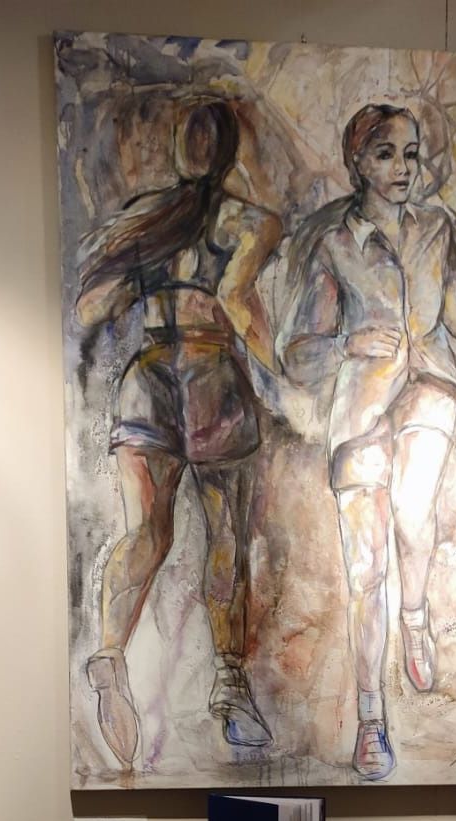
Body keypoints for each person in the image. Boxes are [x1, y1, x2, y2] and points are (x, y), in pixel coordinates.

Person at [281, 102, 456, 780]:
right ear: (357, 163)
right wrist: (347, 344)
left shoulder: (438, 229)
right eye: (385, 154)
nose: (403, 167)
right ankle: (371, 719)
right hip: (360, 412)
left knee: (414, 512)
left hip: (430, 388)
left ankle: (415, 615)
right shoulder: (333, 244)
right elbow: (298, 353)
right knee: (364, 571)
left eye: (410, 154)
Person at [73, 97, 282, 770]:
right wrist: (284, 378)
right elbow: (238, 303)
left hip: (149, 379)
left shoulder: (145, 220)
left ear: (178, 149)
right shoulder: (251, 222)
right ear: (229, 151)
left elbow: (92, 307)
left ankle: (109, 653)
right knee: (226, 539)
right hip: (213, 380)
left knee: (145, 534)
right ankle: (230, 686)